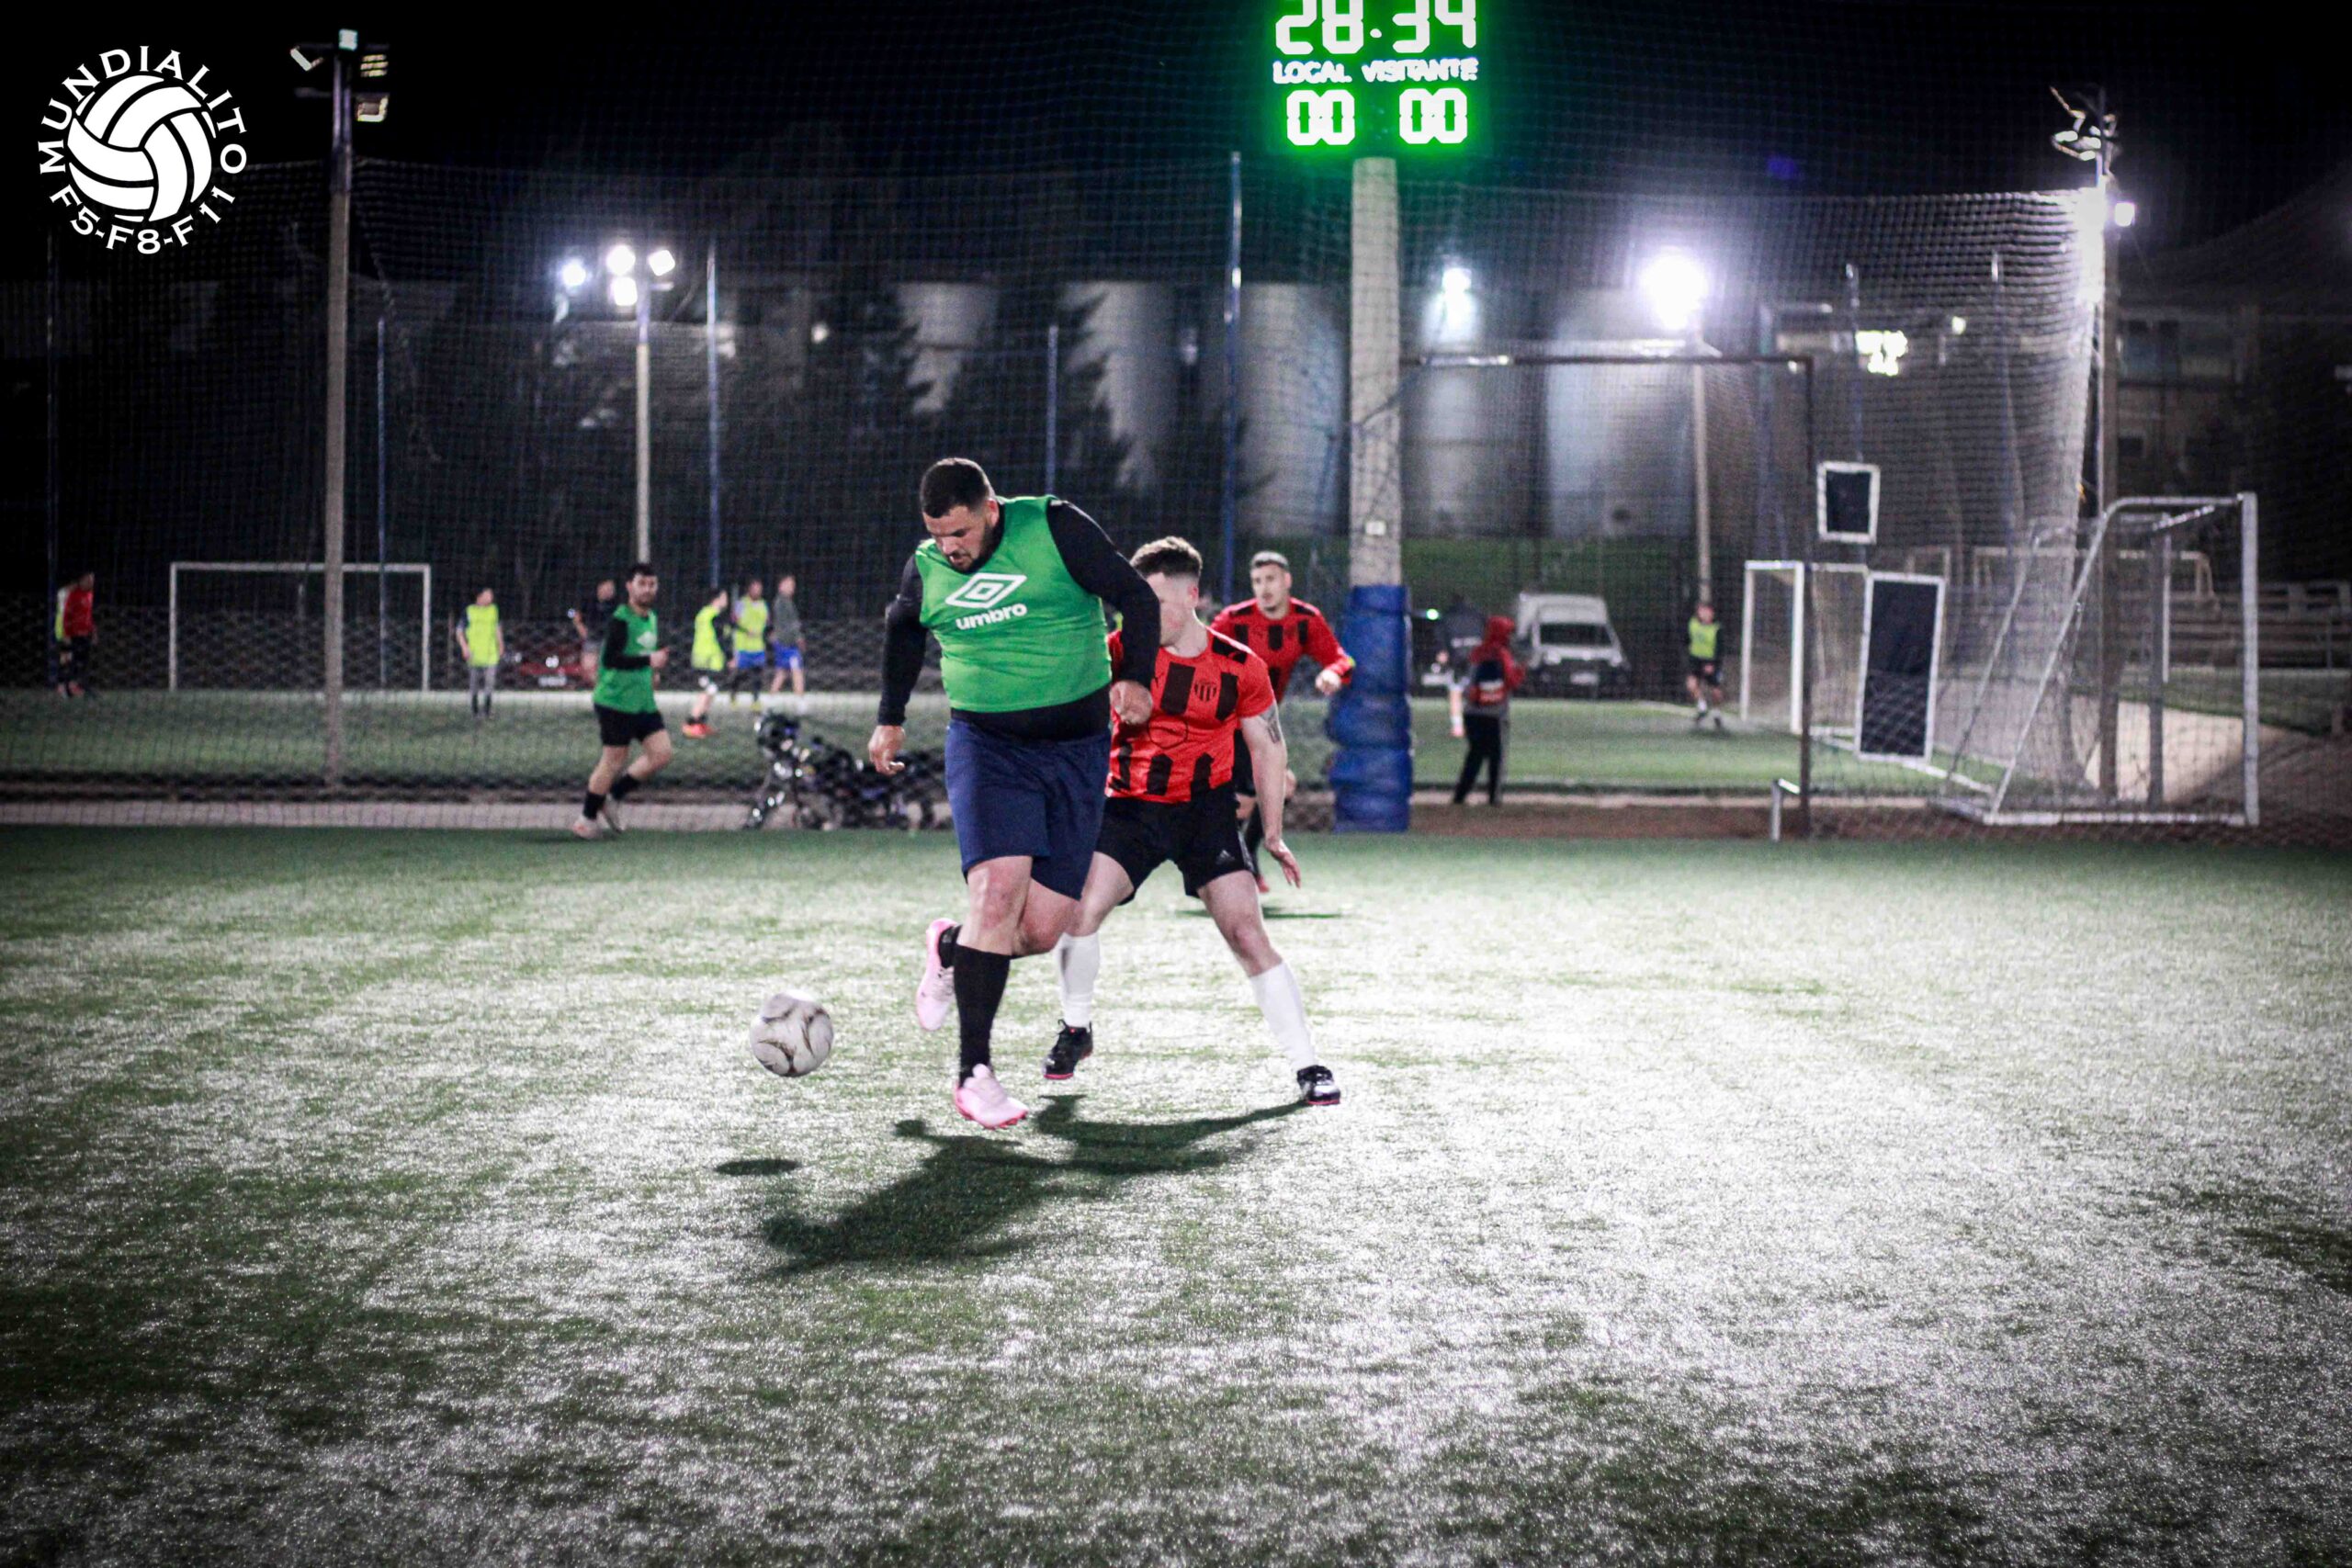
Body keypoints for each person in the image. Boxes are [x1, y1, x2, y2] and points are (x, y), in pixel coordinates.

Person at [869, 457, 1158, 1131]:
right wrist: (890, 717)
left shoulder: (1055, 529)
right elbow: (903, 631)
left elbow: (1136, 596)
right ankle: (975, 1074)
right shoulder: (927, 568)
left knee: (1040, 929)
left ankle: (951, 949)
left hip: (1077, 753)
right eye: (938, 535)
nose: (950, 547)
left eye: (961, 532)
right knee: (997, 895)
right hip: (988, 748)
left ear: (991, 509)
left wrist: (1136, 676)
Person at [1047, 536, 1340, 1108]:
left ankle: (1309, 1064)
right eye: (1136, 602)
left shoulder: (1240, 665)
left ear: (1193, 596)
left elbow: (1268, 749)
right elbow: (1067, 728)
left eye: (1154, 602)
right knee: (1079, 911)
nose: (1142, 614)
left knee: (1247, 933)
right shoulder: (1113, 652)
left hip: (1205, 813)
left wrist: (1273, 833)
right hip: (1129, 807)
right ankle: (1075, 1029)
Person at [1208, 550, 1354, 886]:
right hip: (1225, 720)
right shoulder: (1234, 620)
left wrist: (1333, 672)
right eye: (1257, 581)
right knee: (1247, 798)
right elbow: (1200, 652)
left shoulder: (1305, 620)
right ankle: (1225, 866)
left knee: (1279, 787)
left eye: (1271, 579)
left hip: (1259, 723)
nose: (1264, 588)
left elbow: (1343, 659)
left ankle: (1237, 860)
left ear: (1287, 581)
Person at [573, 563, 672, 840]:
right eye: (642, 584)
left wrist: (653, 672)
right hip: (615, 701)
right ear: (629, 587)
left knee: (662, 753)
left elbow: (642, 653)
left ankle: (613, 798)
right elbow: (611, 659)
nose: (648, 589)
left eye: (652, 584)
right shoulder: (620, 619)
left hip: (642, 702)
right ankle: (586, 819)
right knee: (613, 760)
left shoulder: (651, 618)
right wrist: (648, 661)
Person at [1453, 614, 1523, 806]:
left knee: (1475, 755)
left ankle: (1460, 795)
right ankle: (1494, 798)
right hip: (1495, 714)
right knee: (1496, 757)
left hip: (1472, 713)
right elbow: (1512, 681)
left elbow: (1467, 682)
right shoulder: (1502, 654)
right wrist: (1522, 668)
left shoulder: (1477, 653)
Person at [683, 586, 732, 739]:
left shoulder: (704, 614)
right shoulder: (714, 616)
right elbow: (720, 638)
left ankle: (700, 723)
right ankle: (690, 724)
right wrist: (730, 657)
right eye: (724, 597)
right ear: (716, 599)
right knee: (709, 690)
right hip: (708, 660)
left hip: (702, 659)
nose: (727, 600)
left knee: (711, 690)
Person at [456, 587, 503, 717]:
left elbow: (497, 628)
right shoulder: (469, 611)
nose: (491, 598)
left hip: (491, 654)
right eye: (488, 595)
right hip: (474, 655)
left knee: (490, 684)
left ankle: (487, 711)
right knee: (474, 685)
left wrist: (501, 644)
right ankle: (475, 711)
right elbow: (459, 631)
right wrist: (464, 647)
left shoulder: (494, 610)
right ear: (479, 596)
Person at [765, 571, 807, 699]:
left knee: (782, 672)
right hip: (787, 643)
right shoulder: (782, 603)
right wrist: (798, 638)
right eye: (789, 584)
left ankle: (771, 700)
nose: (792, 588)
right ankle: (800, 702)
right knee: (797, 670)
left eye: (793, 585)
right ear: (781, 585)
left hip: (782, 642)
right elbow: (788, 624)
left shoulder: (784, 602)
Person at [729, 578, 771, 705]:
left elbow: (767, 622)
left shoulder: (763, 605)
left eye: (759, 589)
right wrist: (746, 631)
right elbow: (733, 622)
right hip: (743, 645)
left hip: (758, 646)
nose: (757, 591)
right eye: (755, 589)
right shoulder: (741, 604)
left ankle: (755, 700)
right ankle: (733, 693)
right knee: (741, 673)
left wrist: (768, 633)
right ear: (749, 590)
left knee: (758, 674)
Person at [53, 572, 95, 697]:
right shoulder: (64, 593)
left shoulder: (79, 594)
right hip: (64, 630)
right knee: (66, 659)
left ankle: (70, 685)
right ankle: (62, 686)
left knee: (73, 659)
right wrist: (65, 633)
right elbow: (64, 613)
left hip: (71, 631)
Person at [1686, 600, 1726, 729]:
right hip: (1696, 660)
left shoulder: (1717, 628)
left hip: (1711, 661)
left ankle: (1717, 713)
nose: (1702, 614)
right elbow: (1687, 639)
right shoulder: (1692, 623)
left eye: (1705, 611)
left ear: (1711, 613)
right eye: (1700, 611)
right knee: (1691, 685)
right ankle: (1702, 707)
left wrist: (1712, 664)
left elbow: (1721, 650)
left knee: (1715, 691)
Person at [570, 579, 617, 683]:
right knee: (588, 668)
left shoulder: (615, 605)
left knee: (609, 667)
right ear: (600, 588)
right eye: (608, 588)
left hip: (609, 640)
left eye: (612, 589)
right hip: (592, 638)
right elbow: (577, 617)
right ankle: (597, 685)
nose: (610, 591)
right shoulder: (588, 602)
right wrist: (581, 629)